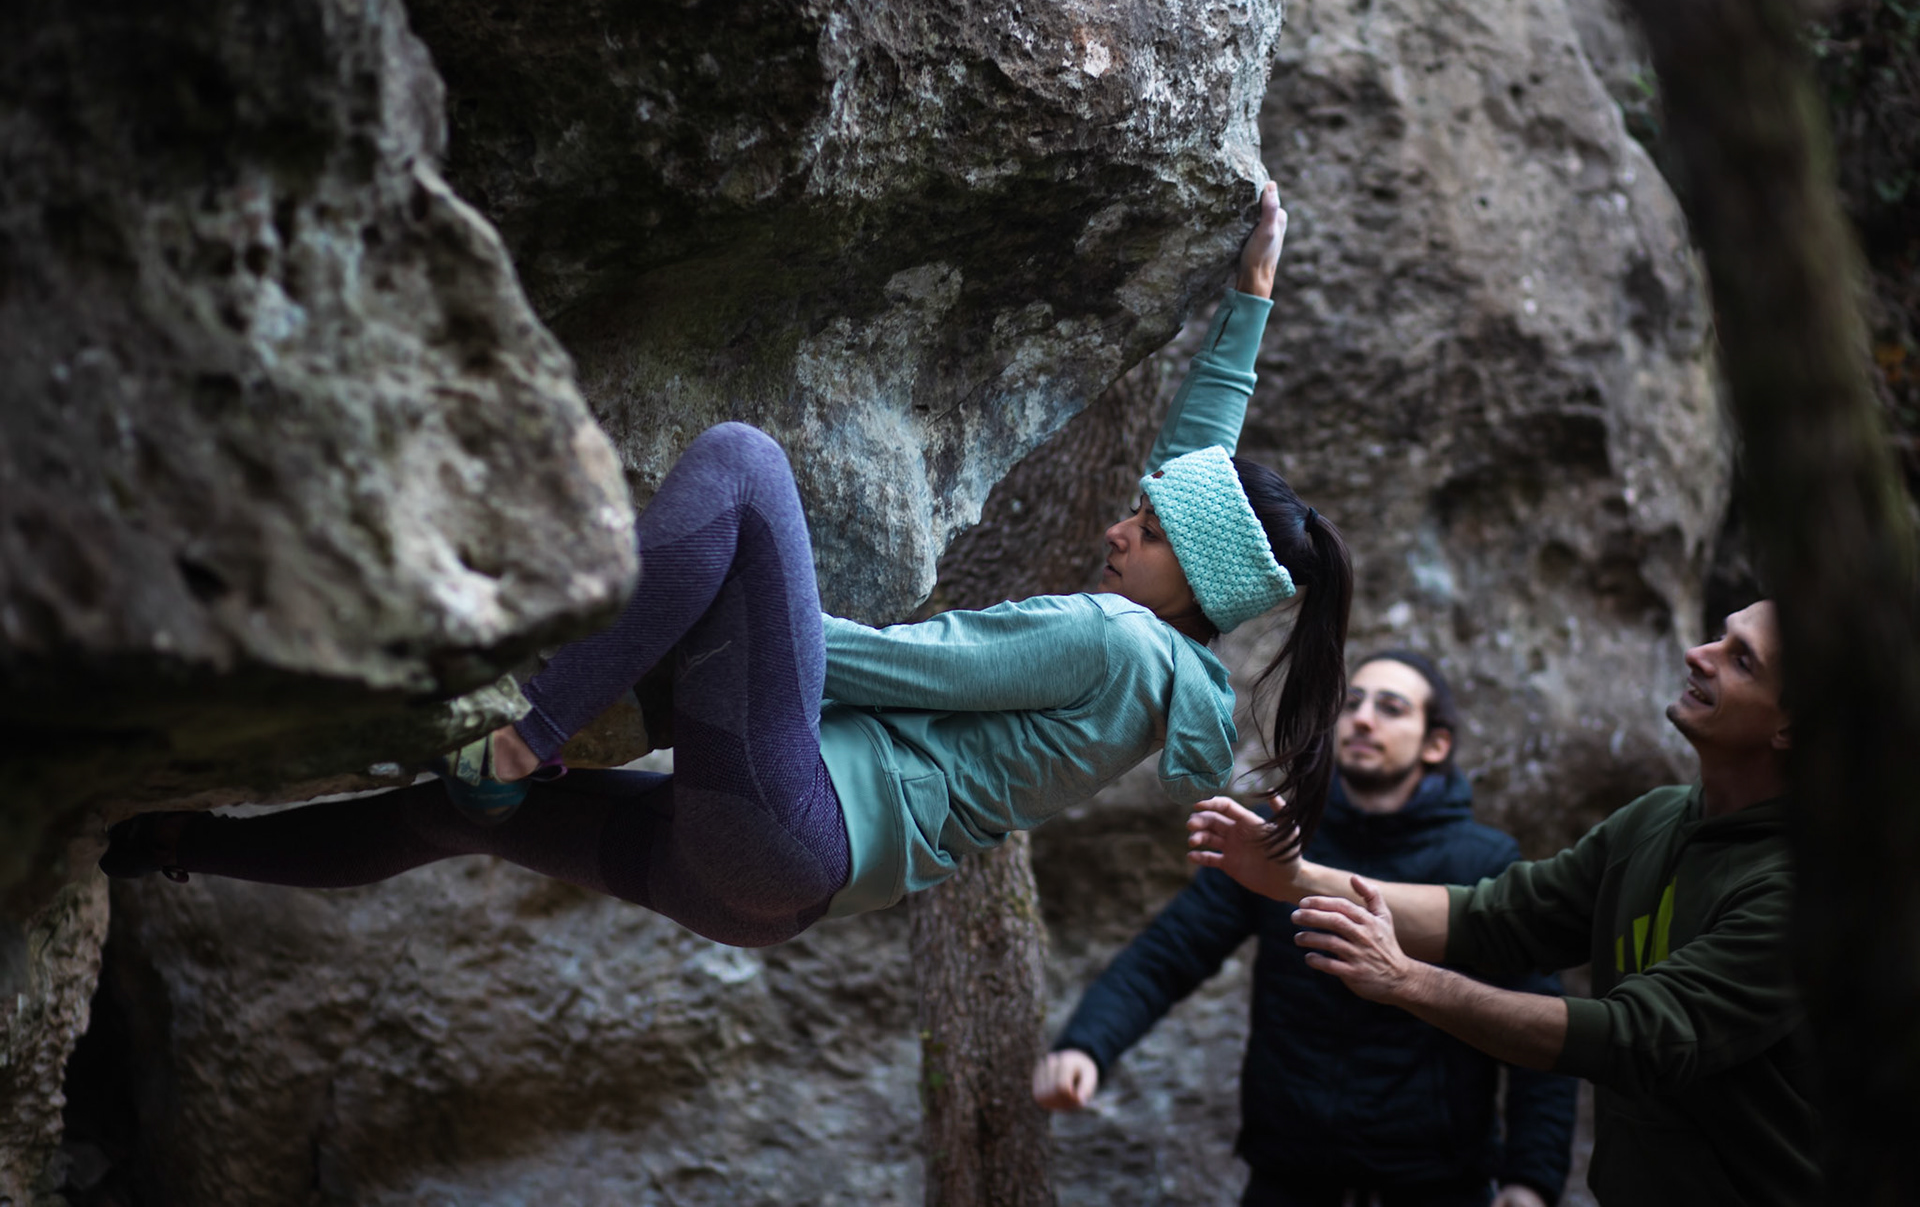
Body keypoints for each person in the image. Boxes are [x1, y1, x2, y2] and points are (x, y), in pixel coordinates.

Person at [102, 184, 1356, 951]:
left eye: (1147, 529)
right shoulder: (1166, 658)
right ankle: (163, 842)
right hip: (768, 891)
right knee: (443, 819)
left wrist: (735, 606)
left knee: (746, 465)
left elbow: (892, 667)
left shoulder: (1110, 638)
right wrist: (1248, 299)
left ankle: (523, 737)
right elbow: (1195, 480)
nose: (1120, 525)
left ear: (1194, 578)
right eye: (1134, 511)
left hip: (792, 818)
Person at [1188, 600, 1819, 1206]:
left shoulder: (1803, 892)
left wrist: (1408, 981)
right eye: (1720, 635)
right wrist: (1295, 878)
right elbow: (1497, 918)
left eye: (1741, 660)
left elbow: (1635, 1039)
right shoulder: (1655, 820)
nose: (1699, 654)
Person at [1035, 652, 1575, 1207]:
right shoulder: (1278, 843)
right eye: (1353, 703)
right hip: (1289, 1181)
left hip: (1437, 1184)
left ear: (1435, 745)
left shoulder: (1482, 862)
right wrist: (1086, 1046)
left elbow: (1533, 1021)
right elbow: (1170, 954)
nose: (1363, 719)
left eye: (1391, 708)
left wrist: (1530, 1181)